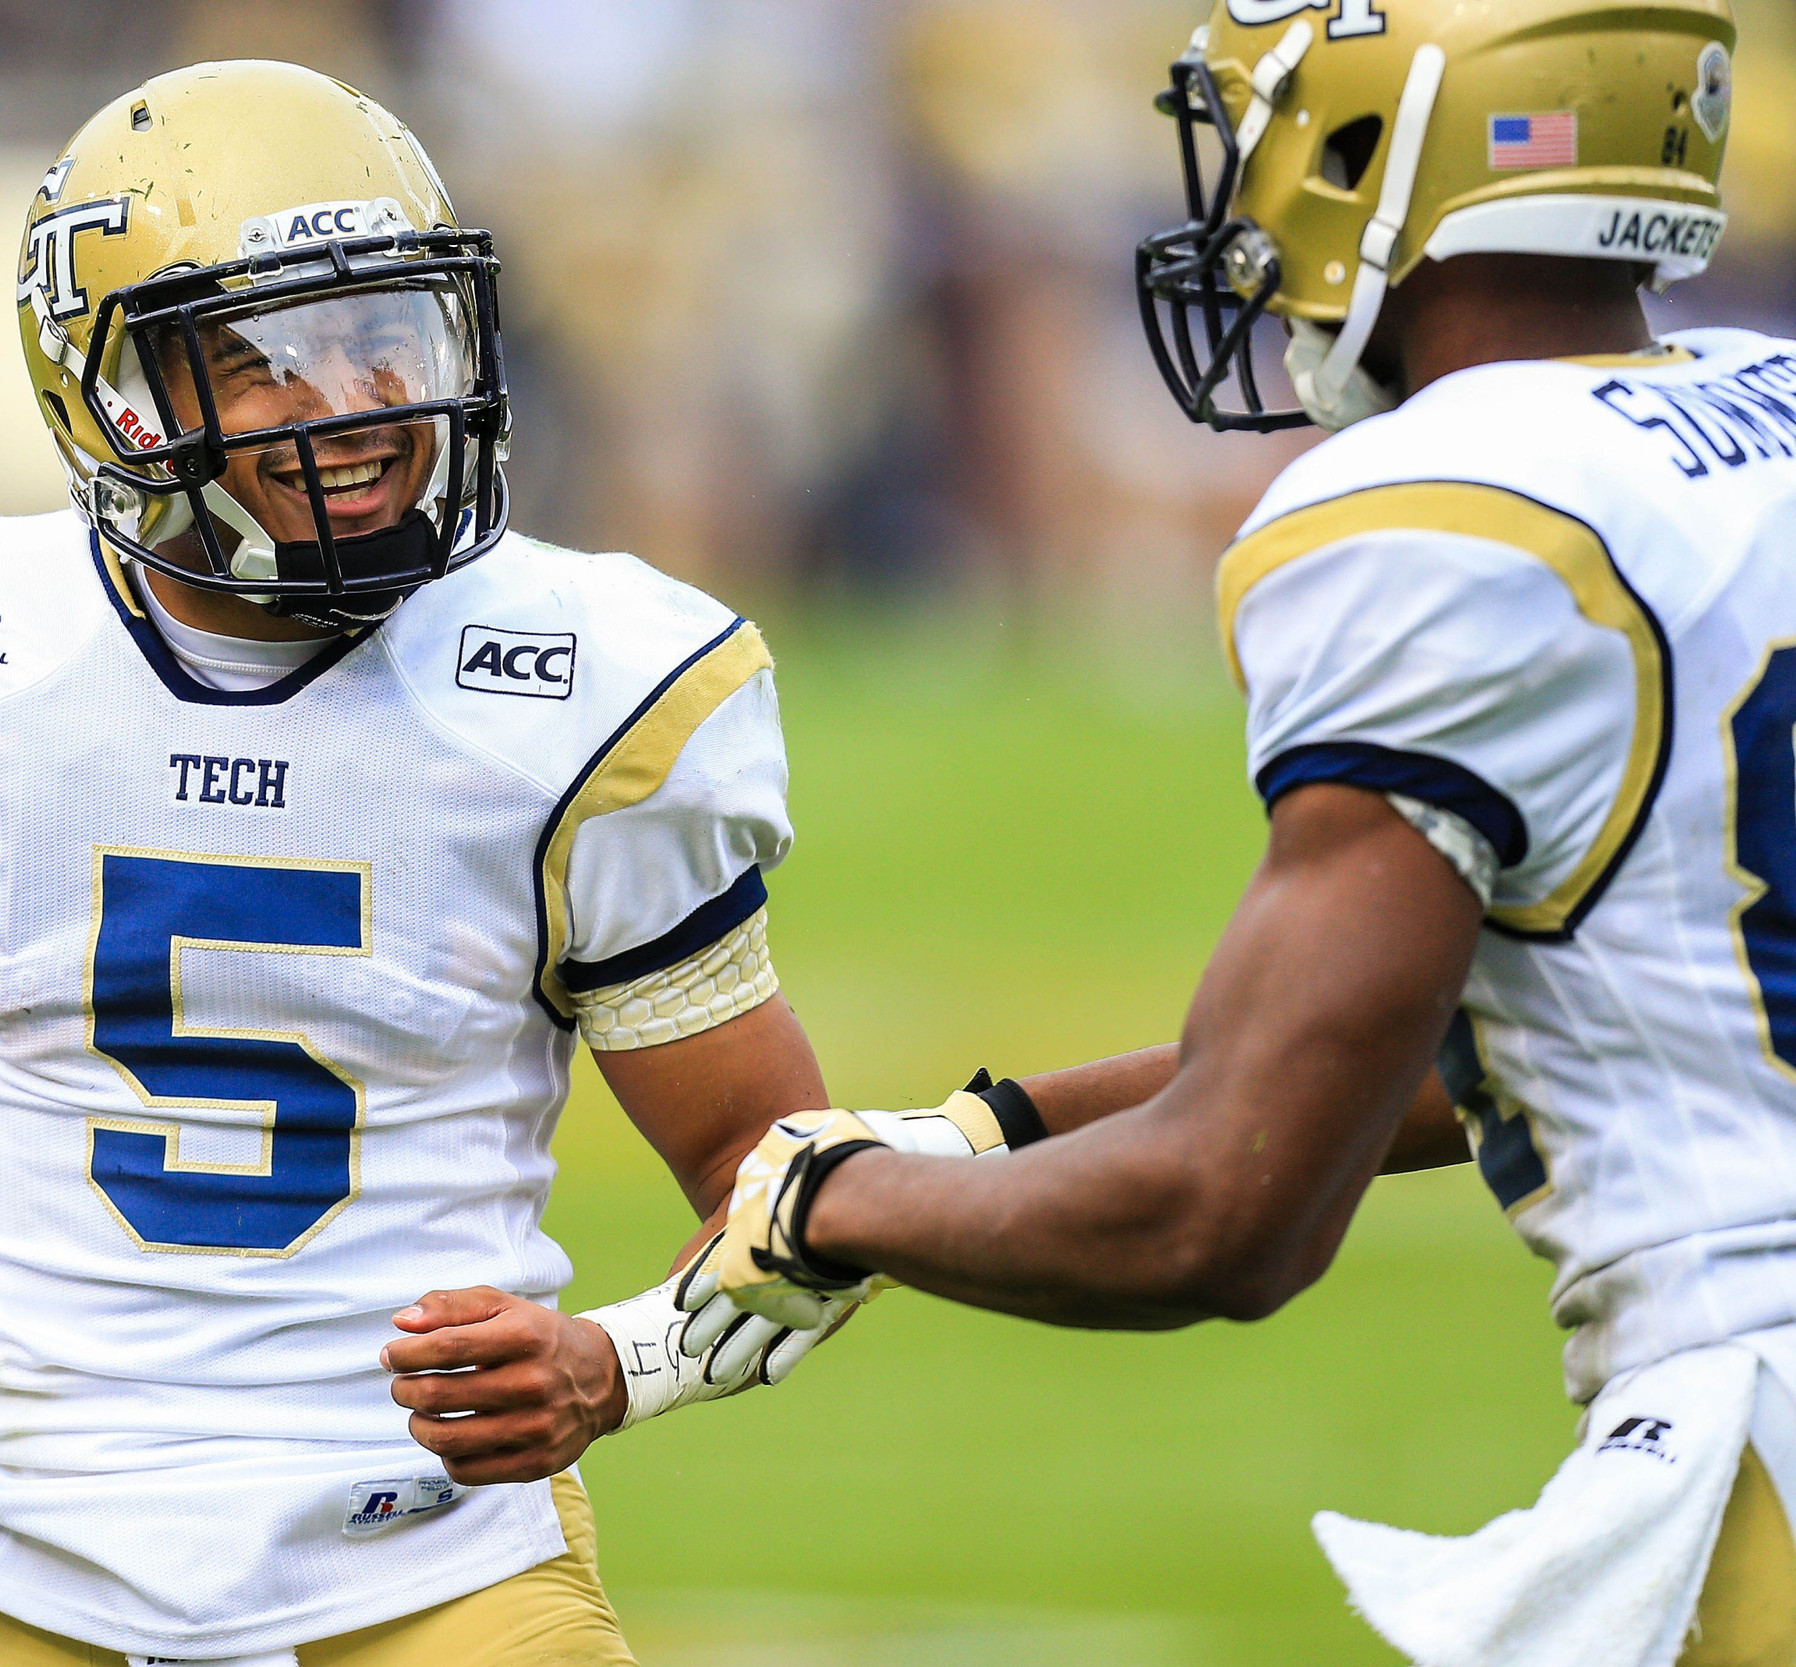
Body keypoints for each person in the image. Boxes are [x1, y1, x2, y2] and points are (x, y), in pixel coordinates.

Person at [0, 60, 885, 1667]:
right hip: (24, 1575)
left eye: (384, 332)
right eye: (270, 355)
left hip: (443, 1584)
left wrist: (621, 1361)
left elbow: (799, 1178)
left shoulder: (586, 693)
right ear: (114, 394)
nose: (355, 400)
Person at [706, 2, 1796, 1661]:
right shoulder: (1765, 409)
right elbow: (1582, 1024)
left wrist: (828, 1200)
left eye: (1286, 133)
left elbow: (1228, 1207)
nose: (1255, 201)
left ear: (1384, 151)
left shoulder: (1443, 512)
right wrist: (989, 1133)